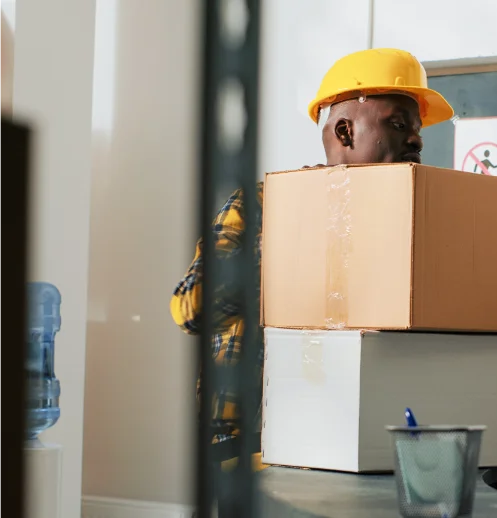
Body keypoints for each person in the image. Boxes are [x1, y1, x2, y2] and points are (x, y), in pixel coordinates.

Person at [170, 48, 454, 452]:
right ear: (345, 132)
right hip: (253, 449)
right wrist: (295, 232)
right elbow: (190, 309)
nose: (416, 138)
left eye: (417, 127)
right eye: (398, 123)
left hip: (364, 442)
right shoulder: (263, 206)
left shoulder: (408, 222)